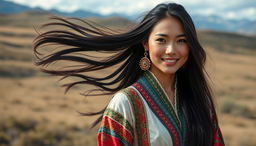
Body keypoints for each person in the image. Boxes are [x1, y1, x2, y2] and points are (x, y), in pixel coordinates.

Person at [33, 2, 225, 146]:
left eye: (181, 41)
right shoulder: (125, 103)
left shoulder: (200, 102)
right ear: (145, 44)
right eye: (161, 40)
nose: (171, 50)